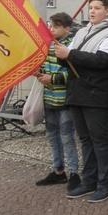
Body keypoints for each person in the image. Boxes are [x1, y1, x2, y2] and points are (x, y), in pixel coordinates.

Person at [55, 0, 108, 203]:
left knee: (100, 140)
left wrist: (70, 55)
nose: (92, 11)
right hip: (77, 92)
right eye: (90, 7)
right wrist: (64, 58)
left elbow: (102, 61)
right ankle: (89, 180)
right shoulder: (82, 31)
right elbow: (73, 59)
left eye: (97, 8)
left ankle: (105, 184)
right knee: (85, 140)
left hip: (97, 94)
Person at [34, 12, 80, 192]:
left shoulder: (72, 47)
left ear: (66, 29)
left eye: (55, 27)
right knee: (52, 136)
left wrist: (51, 79)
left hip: (65, 100)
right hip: (49, 98)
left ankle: (74, 172)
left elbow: (74, 73)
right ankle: (58, 170)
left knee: (67, 136)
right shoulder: (47, 46)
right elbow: (44, 66)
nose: (51, 29)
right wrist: (38, 72)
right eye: (50, 26)